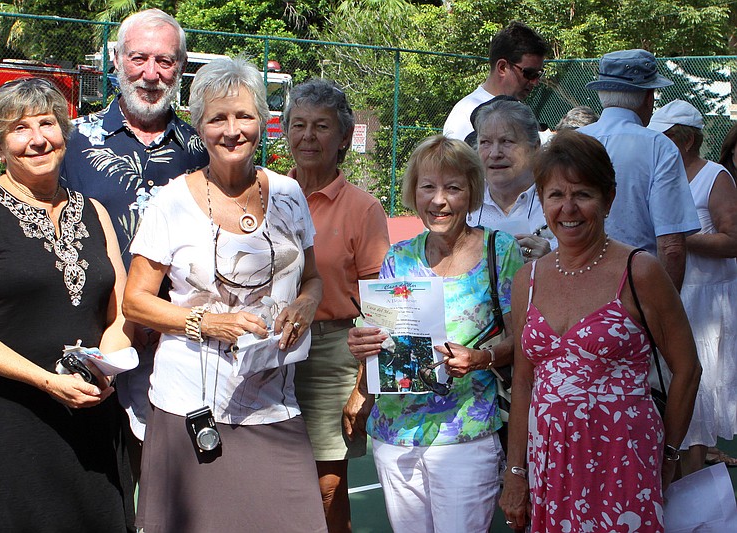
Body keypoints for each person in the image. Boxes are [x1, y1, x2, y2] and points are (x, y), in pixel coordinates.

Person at [122, 57, 327, 533]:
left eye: (244, 116)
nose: (232, 130)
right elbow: (136, 301)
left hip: (274, 401)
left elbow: (313, 277)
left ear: (262, 121)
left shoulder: (289, 193)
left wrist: (307, 303)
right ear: (199, 127)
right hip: (193, 406)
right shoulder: (171, 201)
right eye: (218, 118)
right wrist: (210, 323)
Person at [0, 78, 135, 531]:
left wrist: (102, 370)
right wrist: (47, 382)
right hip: (6, 420)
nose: (38, 139)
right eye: (20, 128)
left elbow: (121, 312)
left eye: (47, 123)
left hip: (87, 411)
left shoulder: (94, 211)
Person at [499, 130, 701, 532]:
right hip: (548, 460)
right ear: (542, 200)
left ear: (608, 199)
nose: (568, 208)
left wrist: (669, 454)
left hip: (623, 459)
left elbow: (687, 369)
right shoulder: (528, 280)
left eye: (583, 194)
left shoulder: (640, 272)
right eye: (556, 195)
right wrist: (516, 471)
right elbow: (523, 381)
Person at [347, 135, 523, 532]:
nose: (438, 200)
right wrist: (361, 343)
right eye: (427, 187)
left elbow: (523, 342)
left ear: (472, 192)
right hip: (395, 433)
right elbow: (378, 334)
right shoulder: (398, 257)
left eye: (453, 188)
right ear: (414, 192)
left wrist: (482, 359)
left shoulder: (500, 251)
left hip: (465, 433)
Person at [61, 8, 209, 452]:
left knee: (170, 474)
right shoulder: (71, 142)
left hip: (178, 345)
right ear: (116, 60)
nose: (150, 74)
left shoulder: (202, 150)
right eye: (138, 58)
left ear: (180, 67)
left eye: (164, 61)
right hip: (94, 343)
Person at [283, 78, 391, 533]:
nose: (308, 136)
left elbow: (380, 307)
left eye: (322, 126)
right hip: (265, 351)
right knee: (271, 480)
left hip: (331, 356)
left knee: (326, 489)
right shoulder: (266, 193)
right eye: (299, 124)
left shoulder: (363, 209)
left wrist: (364, 387)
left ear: (344, 137)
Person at [648, 100, 737, 473]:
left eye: (664, 137)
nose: (656, 144)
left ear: (685, 141)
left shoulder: (714, 176)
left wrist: (680, 238)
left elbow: (733, 240)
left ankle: (697, 488)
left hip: (704, 305)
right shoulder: (658, 175)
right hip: (668, 296)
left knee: (697, 401)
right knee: (670, 393)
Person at [578, 49, 700, 289]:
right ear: (648, 97)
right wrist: (665, 305)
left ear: (602, 94)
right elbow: (671, 246)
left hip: (577, 282)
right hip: (635, 286)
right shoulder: (659, 146)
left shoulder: (571, 143)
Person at [471, 98, 555, 261]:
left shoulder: (560, 203)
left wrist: (551, 262)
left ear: (535, 146)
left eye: (507, 141)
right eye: (485, 142)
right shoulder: (464, 204)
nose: (495, 153)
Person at [442, 21, 549, 141]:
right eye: (529, 73)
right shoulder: (465, 115)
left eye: (538, 75)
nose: (535, 82)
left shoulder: (518, 109)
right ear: (502, 67)